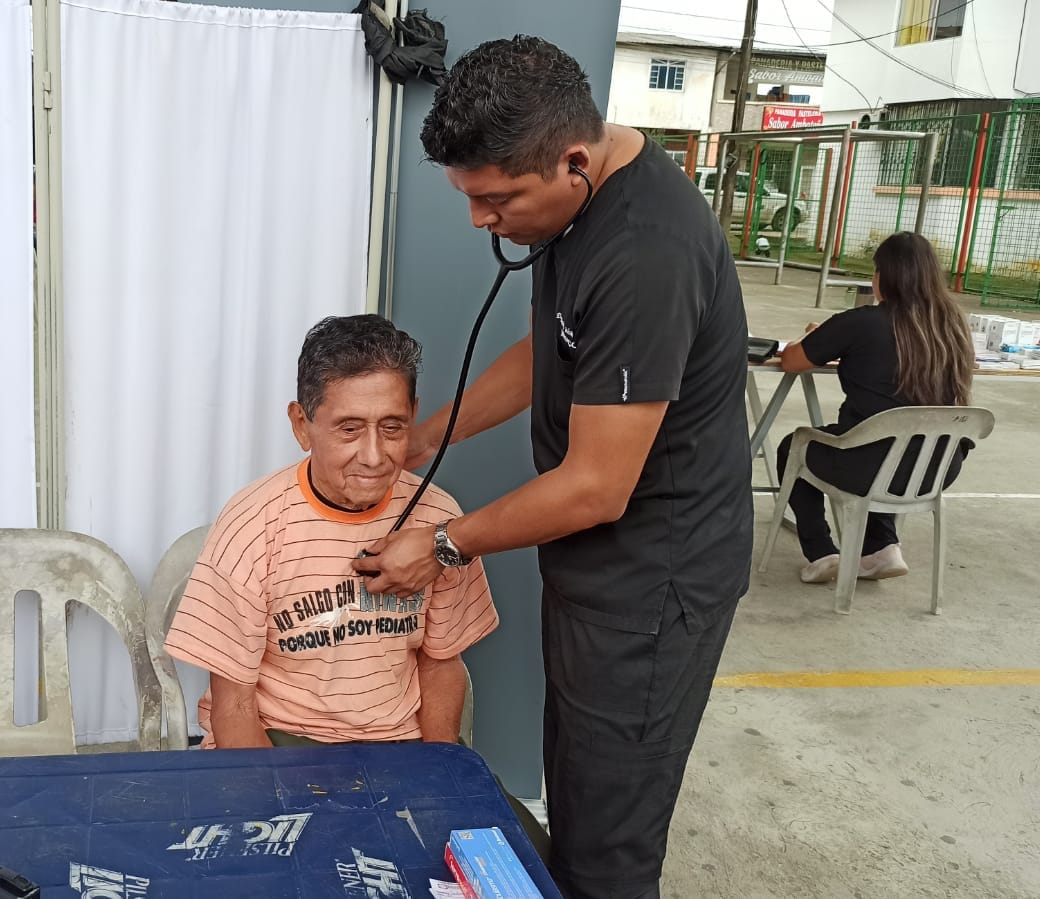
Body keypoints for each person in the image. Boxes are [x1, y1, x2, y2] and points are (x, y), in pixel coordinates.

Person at [355, 37, 752, 898]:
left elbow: (596, 486)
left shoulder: (645, 252)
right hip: (597, 570)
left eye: (496, 199)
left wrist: (444, 544)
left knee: (609, 844)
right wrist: (425, 436)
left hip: (654, 586)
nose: (479, 220)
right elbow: (553, 347)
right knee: (574, 793)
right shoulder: (576, 206)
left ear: (572, 162)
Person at [162, 314, 549, 853]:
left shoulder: (439, 520)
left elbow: (442, 664)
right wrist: (277, 810)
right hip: (282, 744)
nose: (373, 455)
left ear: (413, 416)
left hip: (397, 750)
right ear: (302, 425)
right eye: (348, 428)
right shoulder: (252, 525)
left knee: (527, 863)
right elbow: (234, 704)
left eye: (392, 427)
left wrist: (435, 775)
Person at [777, 231, 975, 584]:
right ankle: (882, 547)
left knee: (794, 446)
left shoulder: (861, 322)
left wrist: (815, 336)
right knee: (890, 446)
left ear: (884, 275)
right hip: (938, 467)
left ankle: (822, 552)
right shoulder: (952, 325)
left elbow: (792, 360)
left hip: (869, 464)